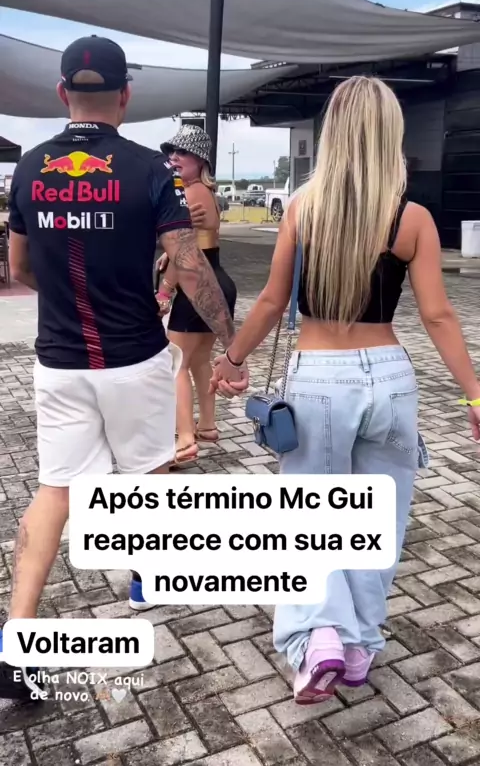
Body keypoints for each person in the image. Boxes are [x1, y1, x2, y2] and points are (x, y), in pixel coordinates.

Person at [211, 75, 480, 705]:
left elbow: (272, 300)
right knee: (378, 520)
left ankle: (319, 637)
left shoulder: (304, 208)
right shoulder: (412, 218)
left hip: (319, 378)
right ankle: (358, 645)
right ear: (391, 134)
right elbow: (438, 315)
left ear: (332, 132)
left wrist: (233, 358)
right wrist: (473, 393)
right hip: (391, 377)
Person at [0, 35, 247, 701]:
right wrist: (231, 347)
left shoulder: (30, 167)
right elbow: (189, 268)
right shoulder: (148, 170)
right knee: (148, 474)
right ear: (125, 96)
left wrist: (63, 293)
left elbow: (19, 268)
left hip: (59, 359)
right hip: (134, 355)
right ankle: (144, 575)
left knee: (57, 489)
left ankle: (16, 640)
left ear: (62, 92)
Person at [155, 125, 237, 465]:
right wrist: (168, 250)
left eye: (183, 152)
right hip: (218, 278)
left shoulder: (188, 194)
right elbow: (197, 243)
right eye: (171, 152)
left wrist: (164, 291)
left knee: (175, 362)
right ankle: (207, 426)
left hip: (196, 284)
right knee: (200, 359)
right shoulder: (205, 191)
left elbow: (186, 257)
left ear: (200, 159)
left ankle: (185, 440)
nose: (174, 157)